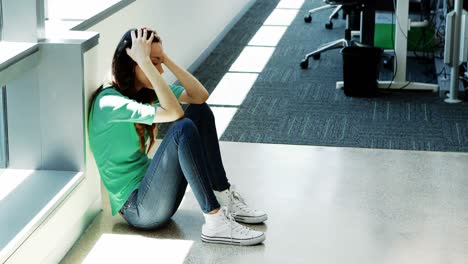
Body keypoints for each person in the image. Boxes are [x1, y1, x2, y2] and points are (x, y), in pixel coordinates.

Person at [88, 28, 267, 246]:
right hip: (139, 209)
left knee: (199, 111)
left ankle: (222, 193)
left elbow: (199, 96)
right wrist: (145, 62)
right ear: (133, 62)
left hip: (153, 190)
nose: (160, 70)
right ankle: (215, 222)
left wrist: (163, 58)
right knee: (183, 128)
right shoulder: (109, 103)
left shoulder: (143, 94)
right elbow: (175, 113)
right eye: (154, 63)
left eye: (159, 62)